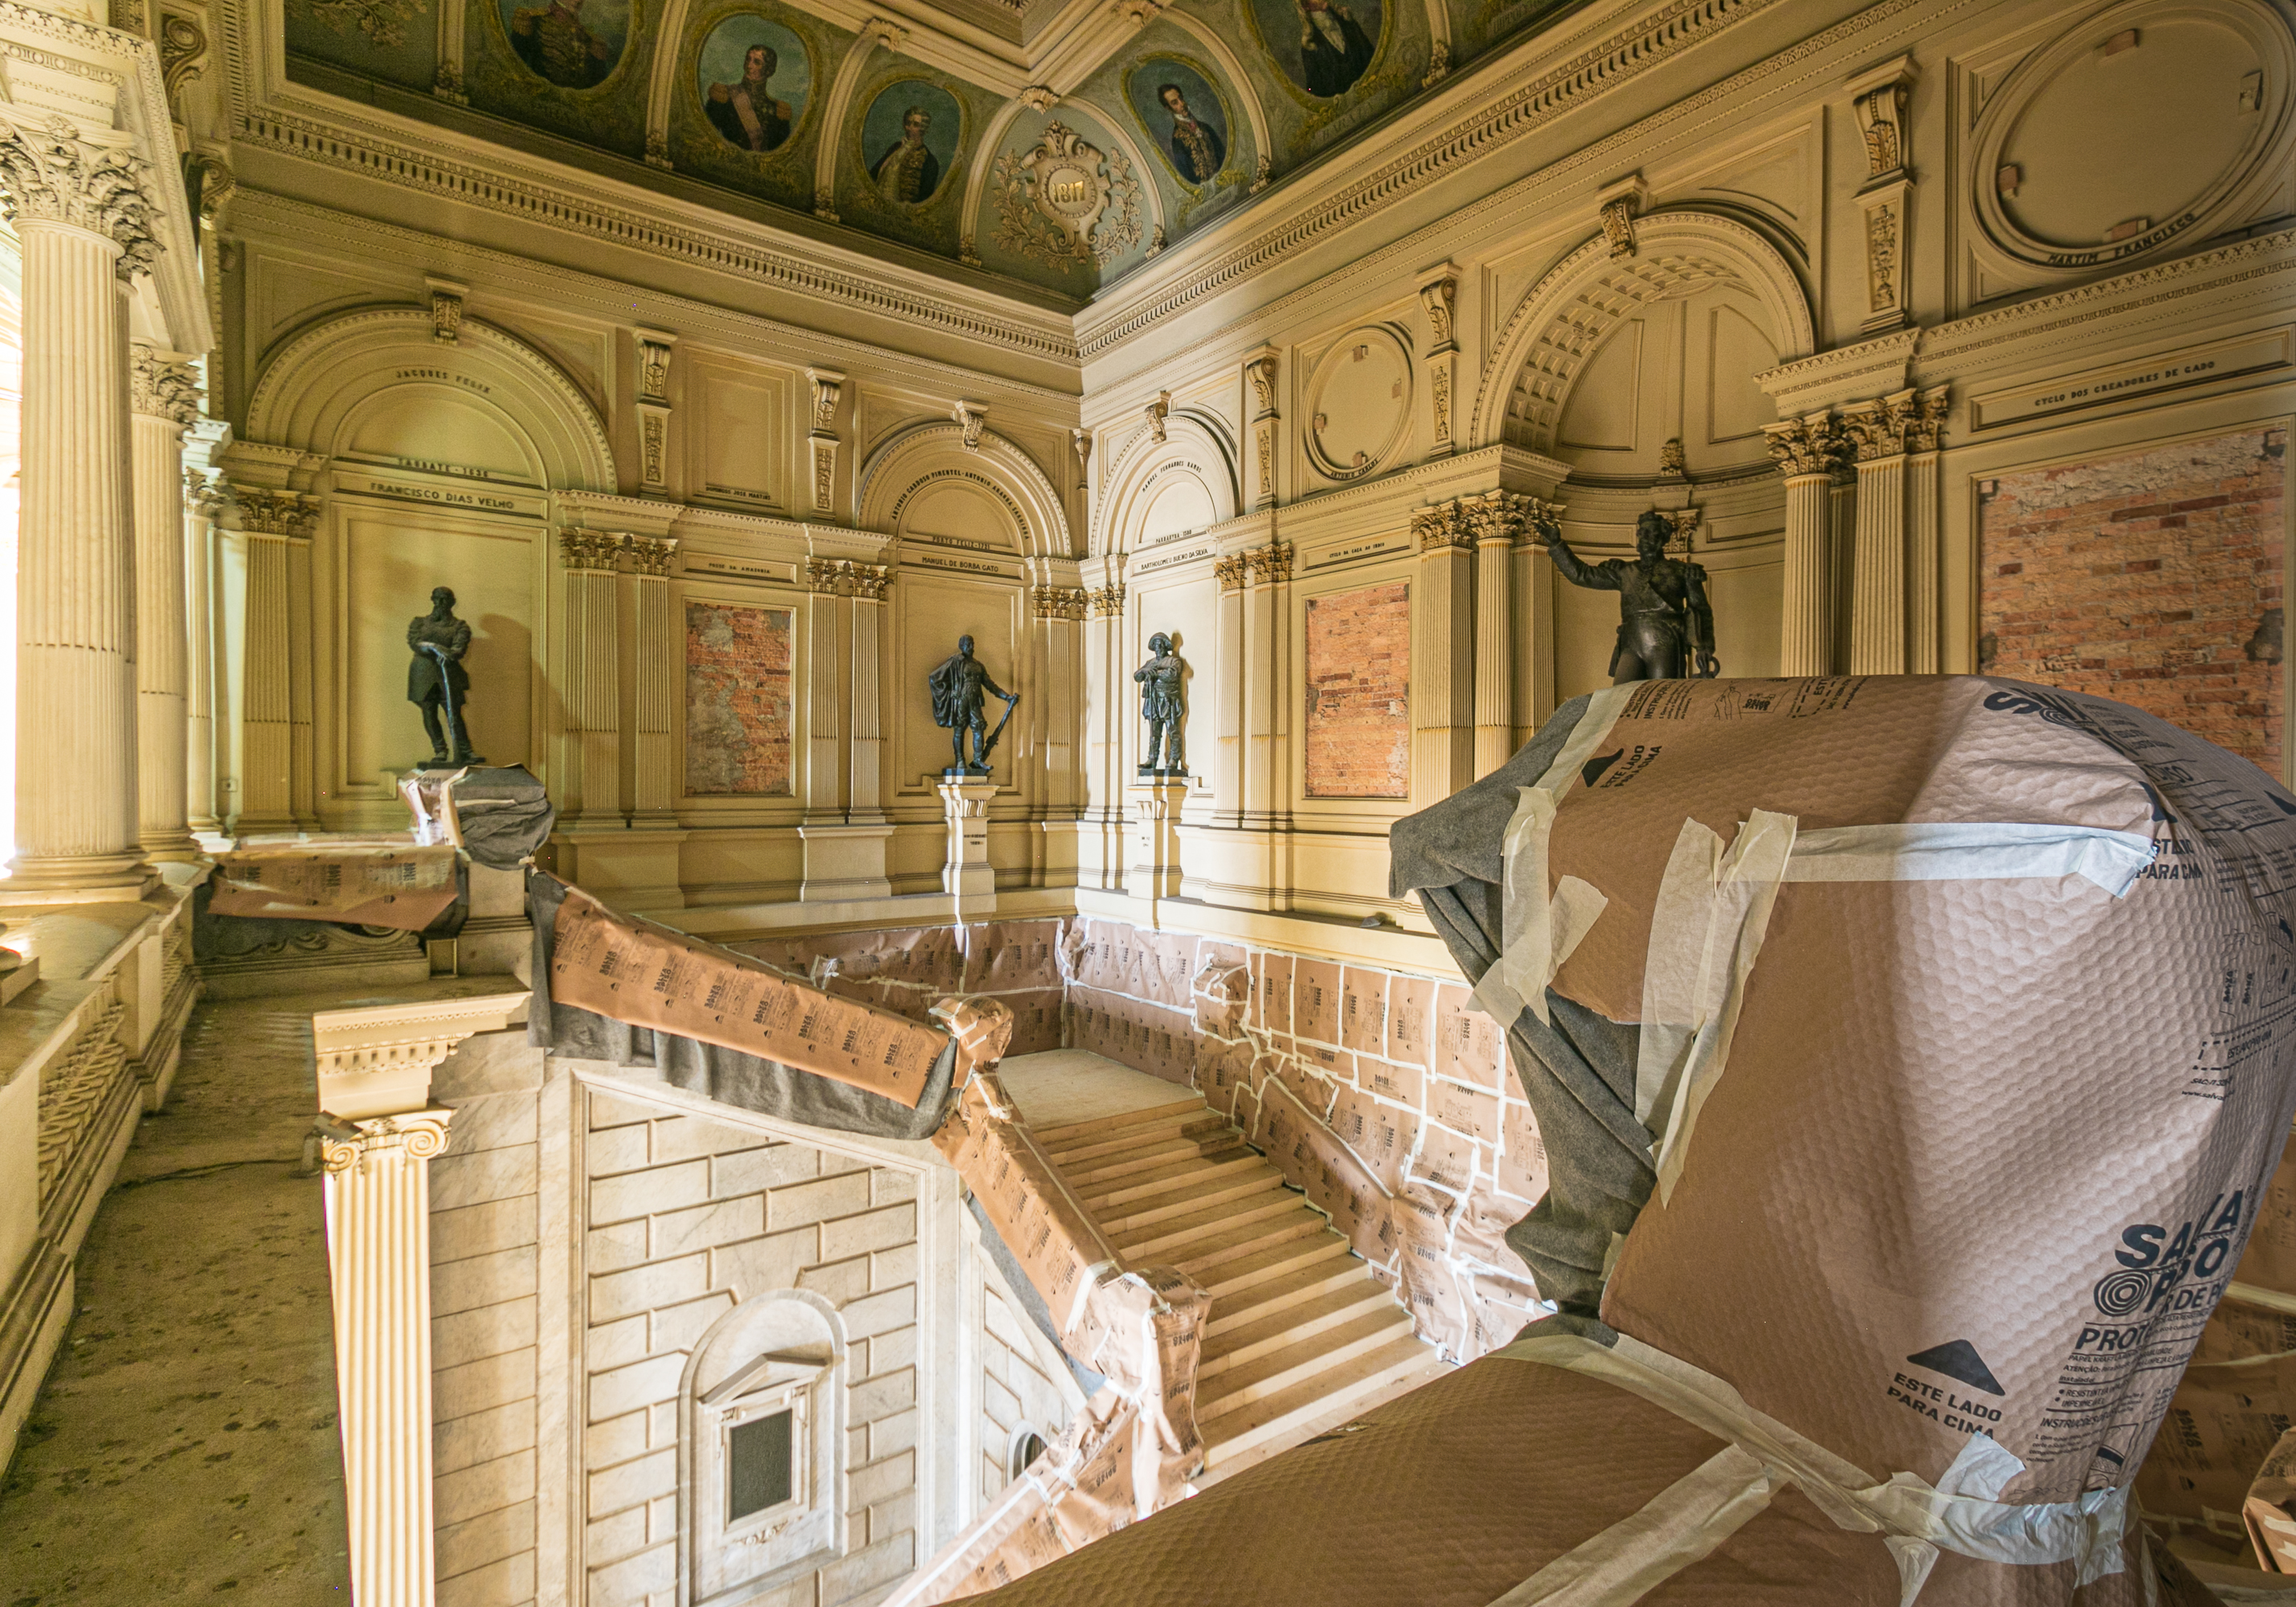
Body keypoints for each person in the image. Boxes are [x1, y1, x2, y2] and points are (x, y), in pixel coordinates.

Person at [1544, 509, 1718, 684]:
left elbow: (1699, 609)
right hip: (1631, 642)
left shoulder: (1682, 571)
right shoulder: (1625, 572)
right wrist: (1557, 545)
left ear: (1663, 539)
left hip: (1665, 641)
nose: (1645, 537)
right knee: (1620, 696)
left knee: (1662, 696)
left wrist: (1703, 647)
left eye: (1651, 533)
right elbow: (1581, 575)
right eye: (1642, 533)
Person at [407, 587, 483, 764]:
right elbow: (415, 643)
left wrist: (447, 652)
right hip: (422, 675)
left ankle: (466, 751)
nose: (441, 604)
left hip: (447, 674)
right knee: (429, 713)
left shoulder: (460, 627)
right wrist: (434, 647)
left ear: (452, 602)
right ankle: (440, 750)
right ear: (432, 600)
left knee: (454, 714)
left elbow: (459, 649)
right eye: (438, 599)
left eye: (445, 599)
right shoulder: (419, 623)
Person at [928, 635, 1018, 771]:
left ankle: (978, 760)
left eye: (972, 644)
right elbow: (935, 678)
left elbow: (990, 685)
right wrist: (950, 691)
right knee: (959, 730)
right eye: (968, 644)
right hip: (961, 700)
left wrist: (1007, 697)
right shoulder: (955, 662)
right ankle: (960, 761)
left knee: (979, 728)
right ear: (962, 646)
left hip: (975, 701)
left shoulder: (978, 665)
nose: (971, 647)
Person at [507, 0, 615, 88]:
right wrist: (521, 36)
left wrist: (597, 59)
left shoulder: (587, 38)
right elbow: (515, 69)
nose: (578, 1)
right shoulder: (533, 22)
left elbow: (596, 85)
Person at [707, 43, 794, 152]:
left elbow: (778, 149)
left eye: (757, 62)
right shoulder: (724, 96)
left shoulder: (778, 111)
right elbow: (708, 136)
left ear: (769, 70)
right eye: (748, 59)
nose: (749, 65)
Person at [1295, 0, 1374, 98]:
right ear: (1305, 5)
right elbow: (1314, 89)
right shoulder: (1309, 45)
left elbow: (1371, 55)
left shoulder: (1346, 19)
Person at [1134, 632, 1187, 771]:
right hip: (1153, 700)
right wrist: (1145, 670)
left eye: (1162, 644)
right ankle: (1152, 759)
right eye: (1156, 645)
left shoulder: (1173, 661)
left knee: (1172, 730)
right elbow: (1137, 677)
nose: (1159, 647)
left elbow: (1172, 674)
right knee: (1154, 733)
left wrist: (1155, 673)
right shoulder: (1150, 663)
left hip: (1167, 700)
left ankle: (1174, 759)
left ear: (1166, 646)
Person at [1157, 84, 1224, 184]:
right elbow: (1187, 177)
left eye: (1181, 98)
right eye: (1175, 103)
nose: (1182, 104)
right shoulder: (1178, 140)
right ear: (1168, 108)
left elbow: (1223, 156)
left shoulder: (1205, 128)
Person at [872, 106, 940, 205]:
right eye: (908, 123)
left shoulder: (930, 162)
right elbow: (874, 174)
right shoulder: (895, 147)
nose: (909, 128)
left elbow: (923, 199)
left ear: (924, 129)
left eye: (915, 125)